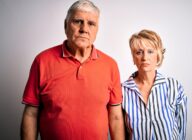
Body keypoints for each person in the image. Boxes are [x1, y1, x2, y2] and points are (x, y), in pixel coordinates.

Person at [20, 0, 125, 140]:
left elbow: (116, 117)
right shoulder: (42, 61)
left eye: (91, 24)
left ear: (97, 30)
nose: (84, 29)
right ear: (65, 25)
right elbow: (31, 114)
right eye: (78, 21)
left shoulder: (110, 65)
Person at [122, 29, 187, 140]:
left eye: (150, 51)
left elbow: (181, 130)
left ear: (158, 55)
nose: (144, 58)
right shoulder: (122, 91)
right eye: (139, 52)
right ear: (133, 58)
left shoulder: (174, 87)